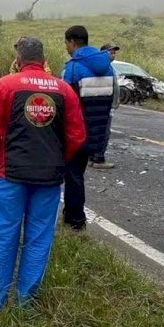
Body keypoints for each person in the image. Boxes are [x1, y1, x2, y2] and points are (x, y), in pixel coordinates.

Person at [0, 37, 85, 310]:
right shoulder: (64, 90)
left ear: (19, 60)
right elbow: (76, 136)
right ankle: (26, 302)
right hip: (49, 179)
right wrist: (57, 161)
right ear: (43, 59)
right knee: (39, 239)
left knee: (3, 237)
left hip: (11, 175)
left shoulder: (6, 85)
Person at [61, 25, 116, 232]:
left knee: (73, 176)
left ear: (73, 42)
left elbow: (65, 102)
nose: (66, 47)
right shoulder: (108, 67)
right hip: (97, 131)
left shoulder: (73, 67)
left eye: (66, 43)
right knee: (77, 174)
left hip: (76, 133)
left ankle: (75, 220)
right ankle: (72, 215)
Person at [91, 43, 122, 165]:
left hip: (101, 104)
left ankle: (93, 156)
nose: (113, 55)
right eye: (111, 52)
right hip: (104, 105)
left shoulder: (107, 68)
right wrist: (113, 105)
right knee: (104, 132)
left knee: (97, 130)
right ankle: (98, 158)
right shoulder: (104, 69)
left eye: (114, 53)